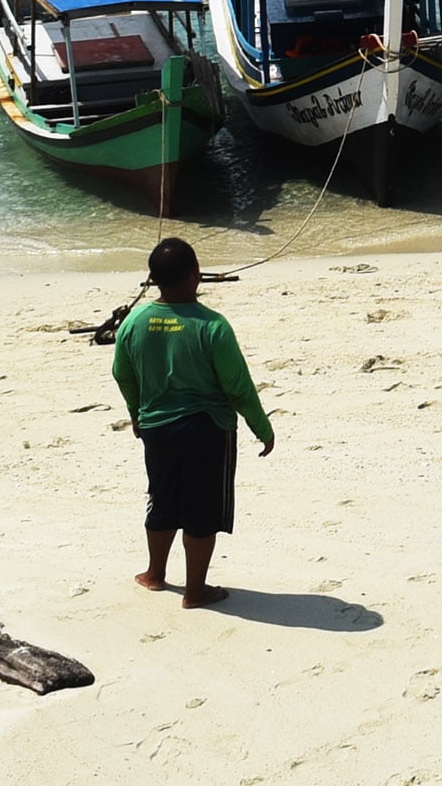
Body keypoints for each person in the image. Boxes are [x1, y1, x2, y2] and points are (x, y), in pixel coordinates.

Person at [110, 236, 274, 609]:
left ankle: (155, 574)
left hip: (158, 428)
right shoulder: (212, 326)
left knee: (162, 498)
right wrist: (261, 427)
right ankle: (195, 590)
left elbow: (122, 373)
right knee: (202, 510)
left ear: (153, 280)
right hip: (208, 430)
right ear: (196, 275)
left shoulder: (134, 323)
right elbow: (237, 386)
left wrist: (136, 413)